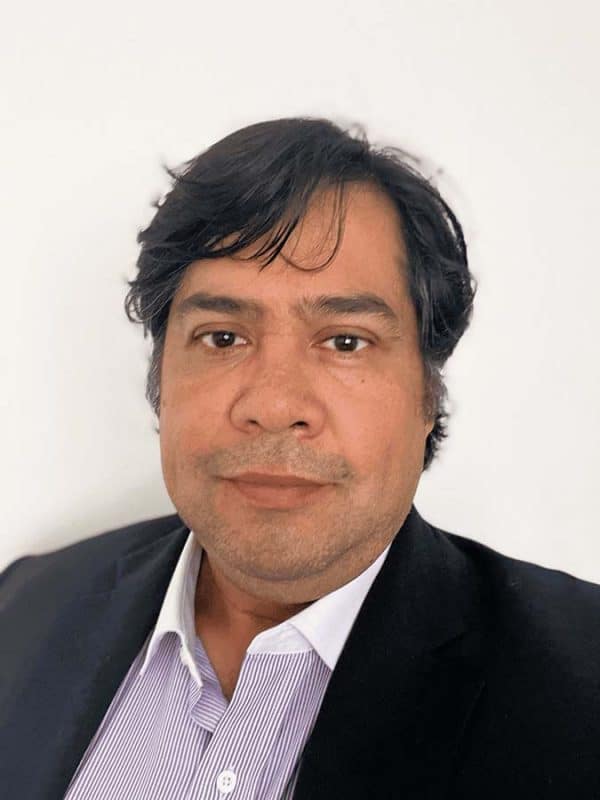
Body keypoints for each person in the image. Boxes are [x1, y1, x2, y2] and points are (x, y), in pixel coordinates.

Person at [1, 117, 599, 800]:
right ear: (161, 377)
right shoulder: (25, 607)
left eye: (345, 341)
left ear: (427, 394)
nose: (275, 404)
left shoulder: (581, 689)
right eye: (222, 338)